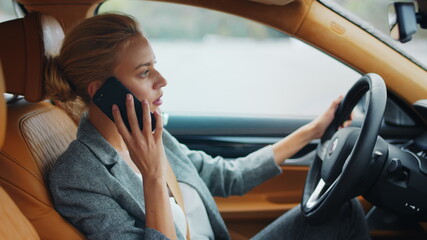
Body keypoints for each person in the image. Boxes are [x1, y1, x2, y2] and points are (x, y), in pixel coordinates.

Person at [46, 13, 370, 240]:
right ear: (101, 92)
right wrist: (153, 176)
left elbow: (229, 176)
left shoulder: (157, 136)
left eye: (154, 67)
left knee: (342, 209)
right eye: (145, 73)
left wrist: (313, 131)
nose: (162, 80)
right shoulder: (77, 178)